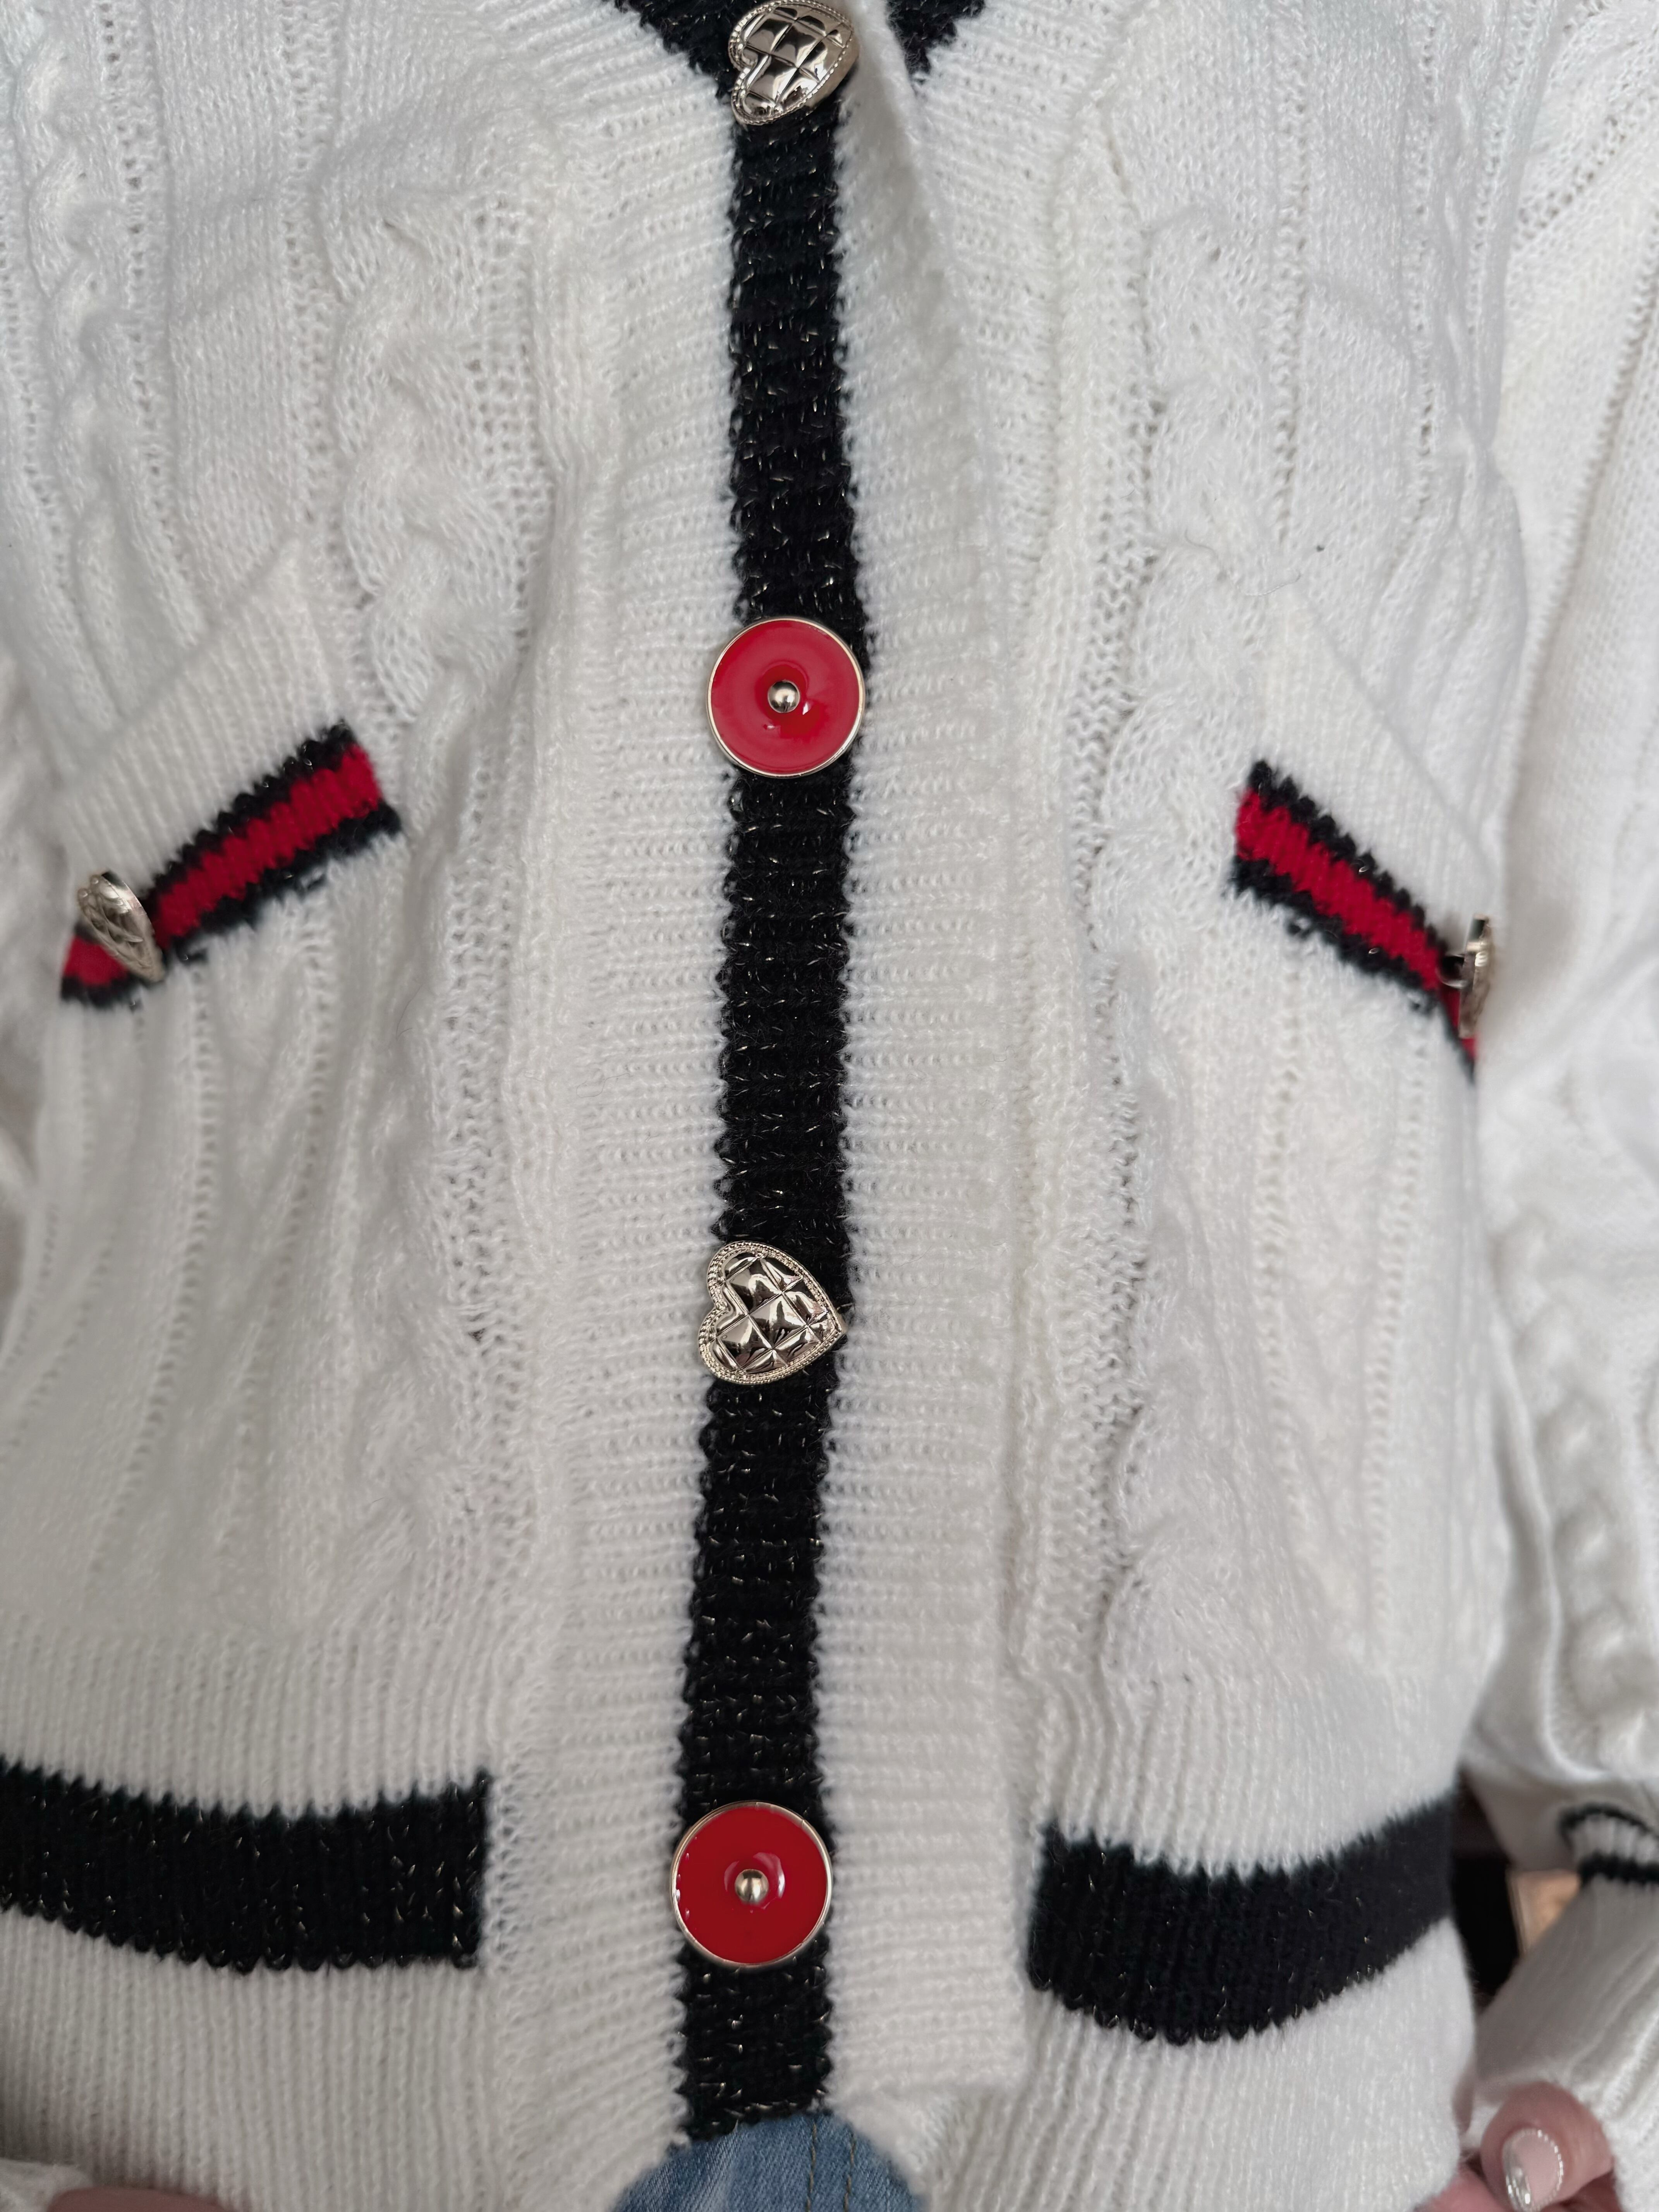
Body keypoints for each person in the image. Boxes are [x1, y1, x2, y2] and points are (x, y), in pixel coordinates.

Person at [0, 0, 1653, 2207]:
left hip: (1237, 2101)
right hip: (219, 2084)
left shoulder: (1537, 55)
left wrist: (1636, 1995)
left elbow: (1592, 1091)